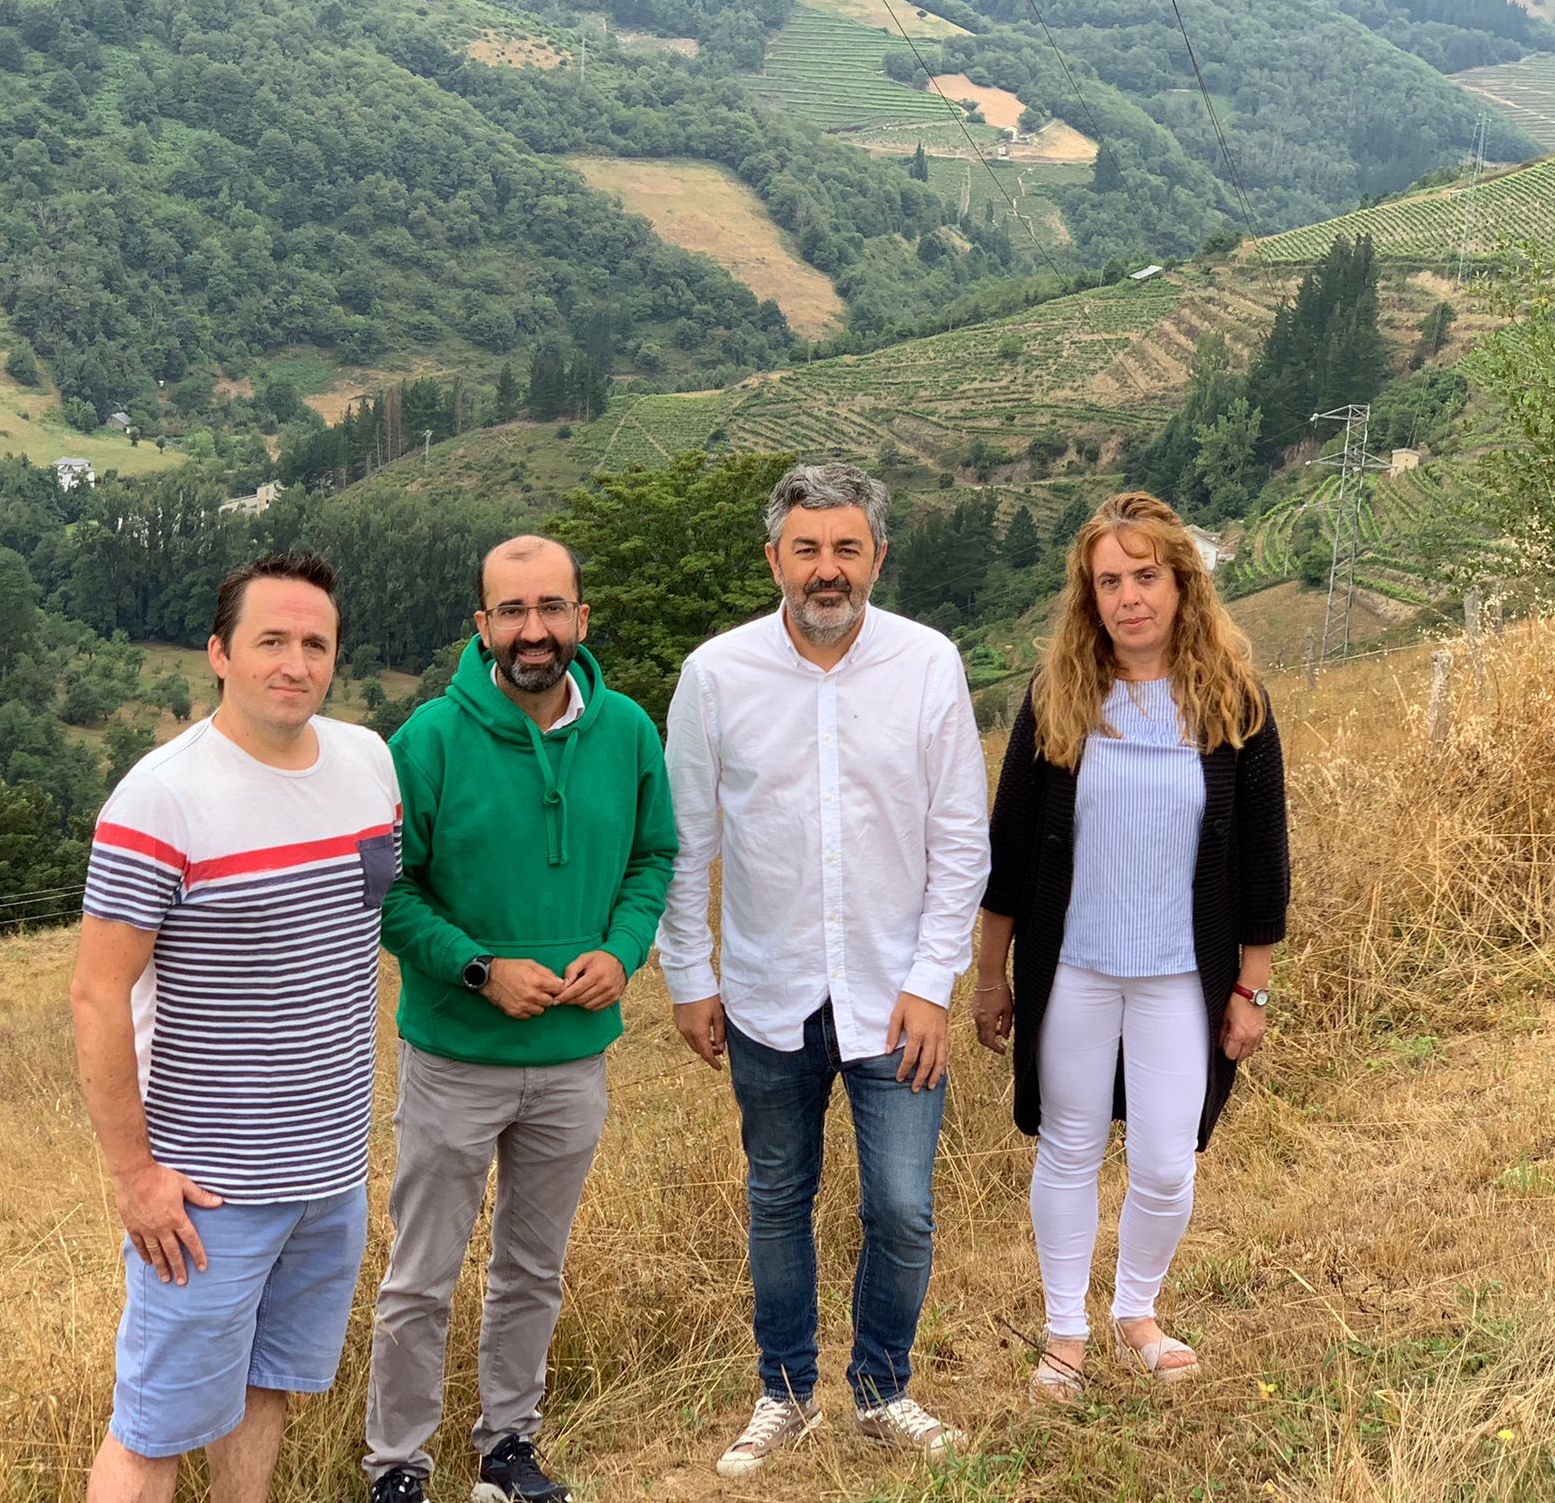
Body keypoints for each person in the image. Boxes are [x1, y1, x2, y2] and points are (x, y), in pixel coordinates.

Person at [657, 464, 990, 1480]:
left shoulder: (927, 665)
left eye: (846, 548)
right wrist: (688, 974)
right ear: (773, 560)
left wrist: (934, 981)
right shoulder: (714, 675)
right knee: (776, 1199)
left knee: (899, 1204)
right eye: (806, 549)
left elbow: (958, 839)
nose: (826, 569)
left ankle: (884, 1389)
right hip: (767, 993)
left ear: (877, 557)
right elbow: (685, 842)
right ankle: (785, 1393)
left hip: (897, 1000)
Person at [69, 551, 401, 1503]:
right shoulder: (161, 798)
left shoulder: (369, 764)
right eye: (270, 642)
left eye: (315, 643)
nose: (294, 663)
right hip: (209, 1192)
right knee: (155, 1426)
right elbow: (96, 995)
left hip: (330, 1171)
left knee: (266, 1393)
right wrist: (135, 1179)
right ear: (219, 653)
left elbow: (370, 914)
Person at [363, 536, 678, 1503]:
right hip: (457, 1056)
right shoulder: (428, 741)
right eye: (512, 611)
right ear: (482, 626)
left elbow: (652, 859)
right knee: (422, 1277)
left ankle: (508, 1447)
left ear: (581, 620)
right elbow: (389, 893)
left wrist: (621, 954)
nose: (532, 630)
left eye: (551, 608)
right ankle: (398, 1465)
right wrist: (478, 966)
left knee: (532, 1270)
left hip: (574, 1059)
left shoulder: (626, 731)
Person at [971, 491, 1289, 1402]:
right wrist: (993, 980)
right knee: (1068, 1145)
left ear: (1182, 585)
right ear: (1089, 596)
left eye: (1146, 576)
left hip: (1181, 980)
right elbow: (1011, 852)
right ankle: (1065, 1331)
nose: (1128, 597)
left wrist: (1250, 990)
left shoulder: (1235, 704)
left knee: (1163, 1157)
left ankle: (1136, 1312)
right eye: (1109, 581)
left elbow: (1265, 860)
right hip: (1072, 969)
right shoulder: (1058, 700)